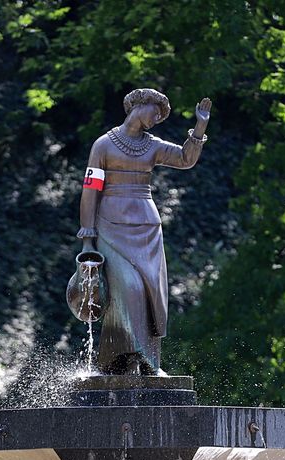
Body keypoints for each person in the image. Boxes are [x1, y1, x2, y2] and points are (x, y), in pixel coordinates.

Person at [75, 87, 211, 375]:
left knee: (152, 293)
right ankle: (118, 359)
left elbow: (185, 159)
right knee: (129, 290)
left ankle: (150, 363)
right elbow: (90, 191)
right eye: (156, 111)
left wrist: (199, 127)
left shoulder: (152, 145)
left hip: (147, 228)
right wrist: (88, 237)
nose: (158, 117)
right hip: (111, 227)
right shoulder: (103, 145)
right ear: (139, 105)